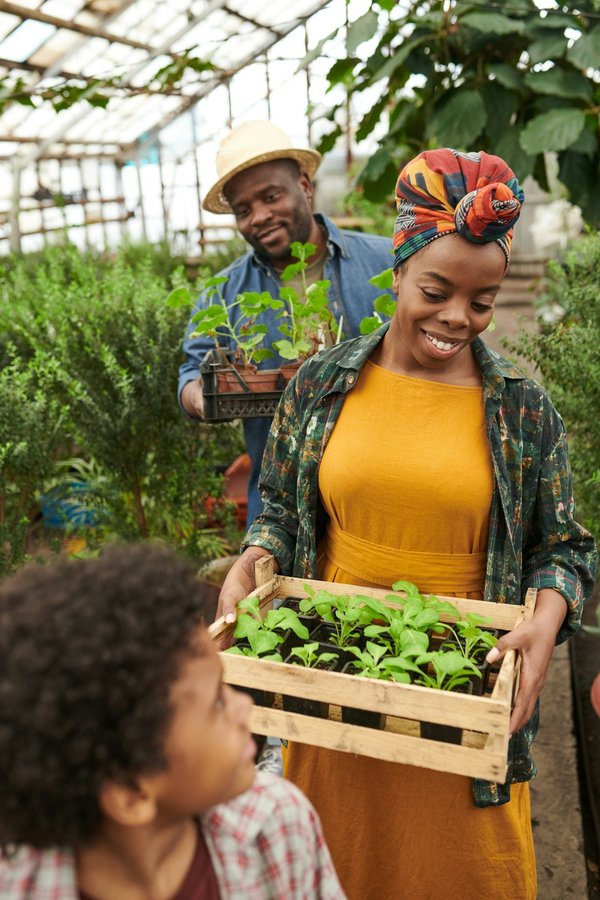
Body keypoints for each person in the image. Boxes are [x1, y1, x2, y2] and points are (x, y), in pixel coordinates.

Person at [216, 148, 597, 898]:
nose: (458, 317)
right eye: (437, 290)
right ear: (398, 269)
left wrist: (544, 624)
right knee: (344, 864)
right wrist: (252, 556)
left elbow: (564, 550)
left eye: (482, 301)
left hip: (462, 699)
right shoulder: (324, 386)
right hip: (335, 684)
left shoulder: (521, 406)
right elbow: (285, 513)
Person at [0, 543, 345, 899]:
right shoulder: (17, 885)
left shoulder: (279, 825)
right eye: (216, 704)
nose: (243, 708)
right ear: (131, 794)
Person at [178, 120, 393, 525]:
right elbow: (192, 371)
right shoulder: (222, 292)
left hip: (388, 489)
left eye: (271, 196)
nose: (258, 216)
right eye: (243, 210)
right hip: (282, 511)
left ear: (305, 186)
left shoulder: (386, 262)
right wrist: (201, 397)